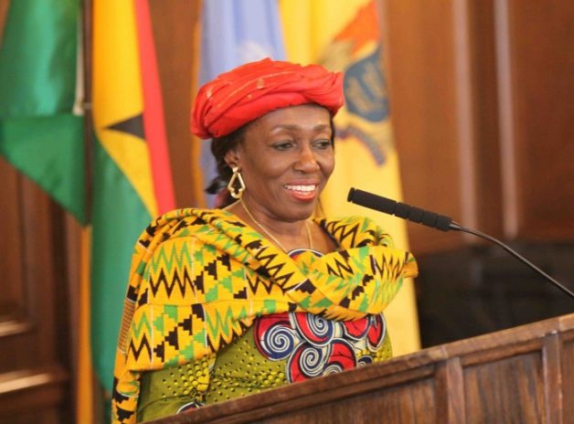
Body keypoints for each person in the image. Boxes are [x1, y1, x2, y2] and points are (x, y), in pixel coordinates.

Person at [111, 58, 418, 424]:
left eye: (322, 143)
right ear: (234, 155)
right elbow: (168, 411)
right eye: (284, 144)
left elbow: (383, 386)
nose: (310, 162)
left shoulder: (360, 251)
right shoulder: (193, 258)